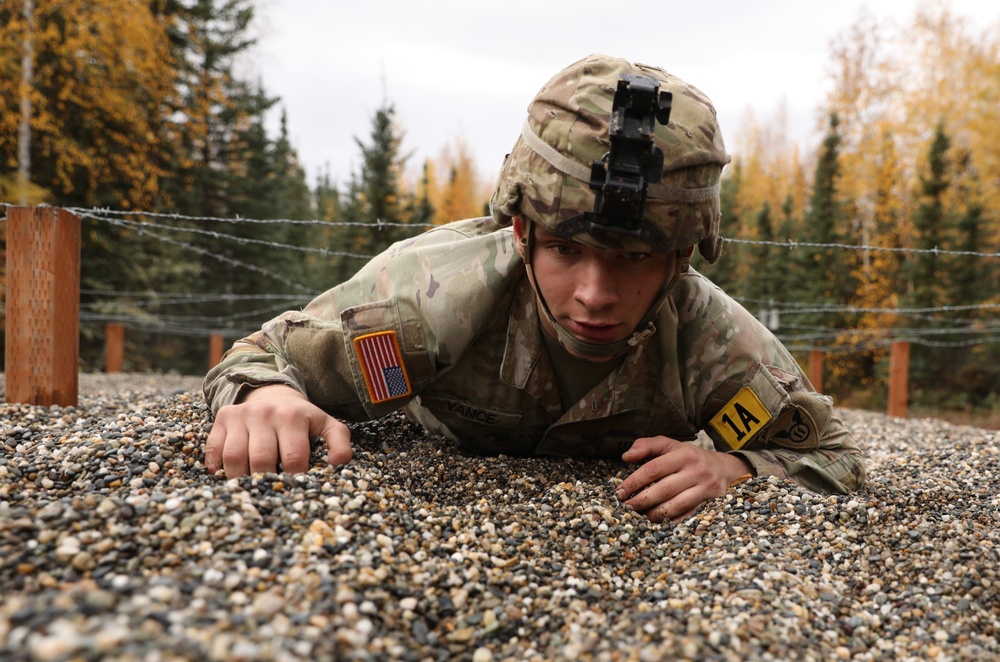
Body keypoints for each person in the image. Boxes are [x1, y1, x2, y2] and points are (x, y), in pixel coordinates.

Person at [203, 54, 866, 523]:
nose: (595, 294)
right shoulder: (431, 305)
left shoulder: (715, 349)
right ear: (521, 231)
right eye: (567, 249)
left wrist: (737, 470)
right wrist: (265, 397)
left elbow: (830, 453)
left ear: (681, 256)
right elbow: (265, 355)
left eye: (634, 257)